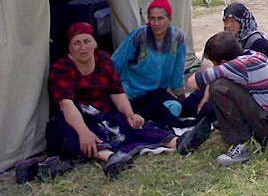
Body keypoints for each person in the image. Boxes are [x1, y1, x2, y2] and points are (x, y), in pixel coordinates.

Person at [46, 22, 211, 177]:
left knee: (135, 123)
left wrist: (130, 114)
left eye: (86, 41)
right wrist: (83, 132)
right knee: (71, 130)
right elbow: (66, 104)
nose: (83, 47)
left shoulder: (103, 60)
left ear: (94, 43)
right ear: (70, 47)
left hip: (106, 114)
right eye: (77, 43)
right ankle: (111, 158)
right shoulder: (61, 69)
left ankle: (179, 142)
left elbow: (116, 92)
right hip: (80, 117)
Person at [186, 31, 268, 166]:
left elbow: (191, 83)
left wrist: (208, 67)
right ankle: (238, 130)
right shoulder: (251, 56)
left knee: (218, 87)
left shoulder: (236, 66)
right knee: (228, 84)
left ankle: (242, 145)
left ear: (223, 62)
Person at [112, 0, 194, 128]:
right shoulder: (138, 36)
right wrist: (116, 91)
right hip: (133, 93)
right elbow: (116, 63)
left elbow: (177, 70)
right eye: (152, 19)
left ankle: (155, 121)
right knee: (136, 115)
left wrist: (179, 94)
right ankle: (156, 122)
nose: (155, 23)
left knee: (175, 107)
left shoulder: (177, 38)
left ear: (169, 19)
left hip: (156, 93)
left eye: (160, 18)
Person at [182, 3, 268, 123]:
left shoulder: (257, 43)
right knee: (189, 105)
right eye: (225, 21)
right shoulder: (229, 40)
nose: (228, 26)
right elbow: (214, 67)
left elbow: (254, 79)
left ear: (242, 22)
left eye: (232, 22)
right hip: (224, 83)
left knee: (206, 111)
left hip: (245, 92)